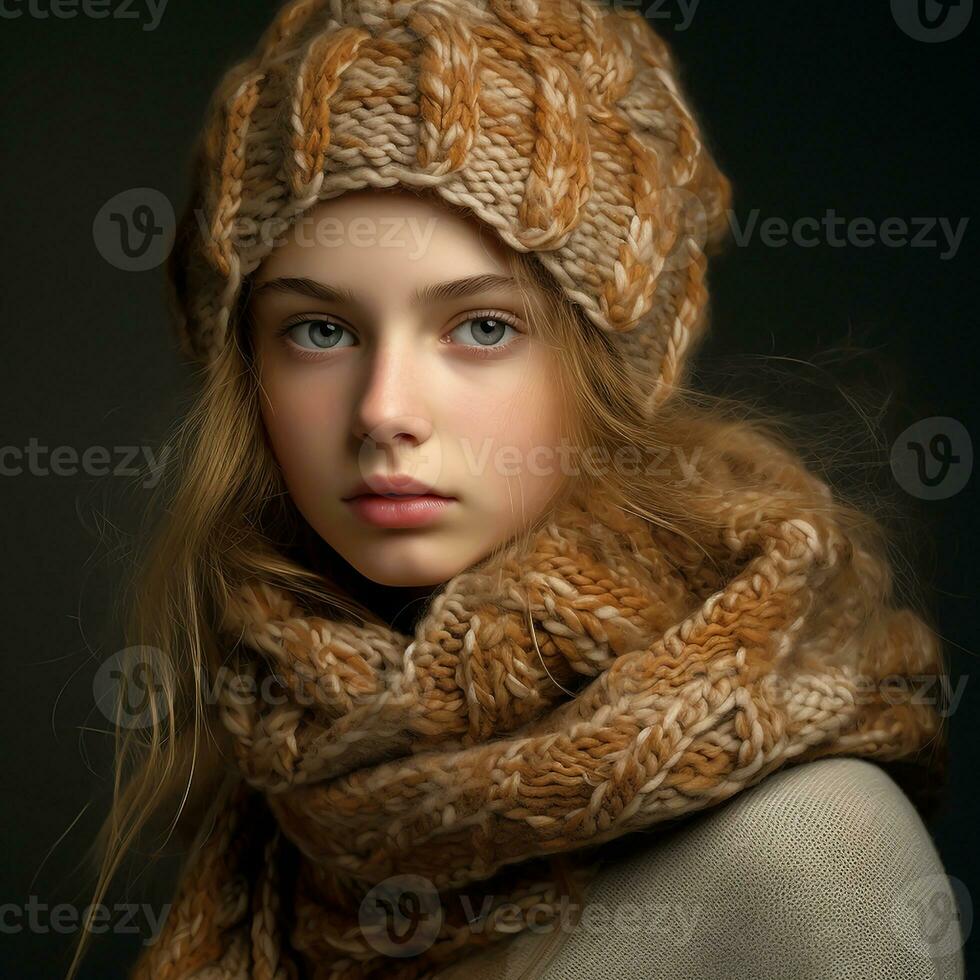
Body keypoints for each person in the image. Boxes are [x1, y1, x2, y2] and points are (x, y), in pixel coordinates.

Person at [69, 1, 961, 978]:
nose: (383, 409)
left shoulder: (807, 854)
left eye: (481, 326)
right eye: (318, 329)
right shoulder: (279, 819)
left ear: (607, 368)